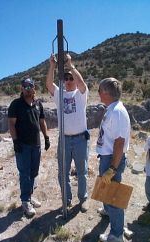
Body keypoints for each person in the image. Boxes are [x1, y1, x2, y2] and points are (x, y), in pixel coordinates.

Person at [46, 53, 89, 212]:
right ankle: (67, 200)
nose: (69, 81)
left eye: (71, 78)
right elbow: (49, 84)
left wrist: (70, 65)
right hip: (64, 139)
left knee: (82, 171)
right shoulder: (59, 94)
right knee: (63, 173)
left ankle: (83, 199)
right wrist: (52, 65)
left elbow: (82, 83)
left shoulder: (81, 94)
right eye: (66, 78)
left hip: (80, 140)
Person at [8, 77, 50, 216]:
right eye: (25, 86)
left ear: (34, 88)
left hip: (36, 144)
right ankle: (25, 201)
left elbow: (42, 122)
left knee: (33, 172)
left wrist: (46, 137)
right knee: (24, 173)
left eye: (30, 86)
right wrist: (15, 142)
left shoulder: (38, 104)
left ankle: (30, 196)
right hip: (23, 145)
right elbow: (11, 124)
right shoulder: (16, 104)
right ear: (22, 88)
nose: (27, 88)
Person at [96, 77, 131, 242]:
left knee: (113, 196)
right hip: (107, 156)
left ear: (106, 92)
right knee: (107, 192)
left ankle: (116, 233)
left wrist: (112, 168)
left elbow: (119, 143)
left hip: (112, 159)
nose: (98, 93)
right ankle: (109, 213)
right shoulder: (112, 108)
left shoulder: (116, 112)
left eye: (99, 90)